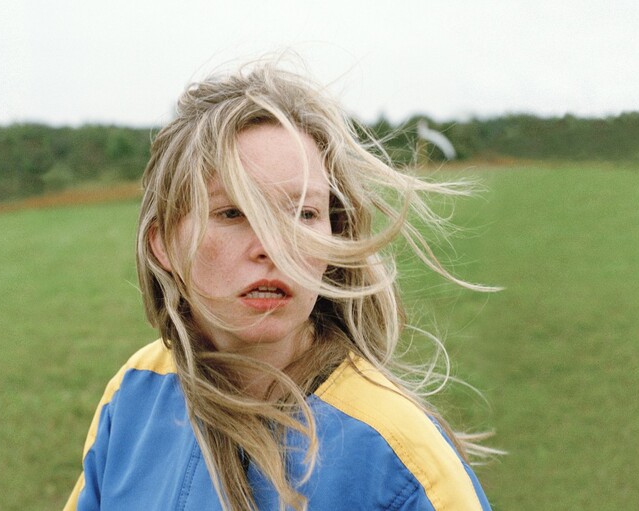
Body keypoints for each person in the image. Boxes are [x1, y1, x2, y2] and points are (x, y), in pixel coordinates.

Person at [64, 58, 497, 511]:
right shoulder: (137, 390)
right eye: (233, 212)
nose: (273, 246)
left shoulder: (399, 456)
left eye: (303, 214)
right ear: (164, 244)